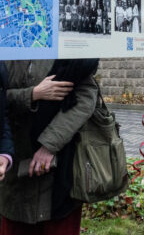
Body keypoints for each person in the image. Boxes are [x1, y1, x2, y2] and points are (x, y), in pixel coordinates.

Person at [0, 59, 99, 235]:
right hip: (14, 170)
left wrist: (49, 145)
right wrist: (32, 94)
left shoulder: (67, 46)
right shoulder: (6, 46)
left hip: (59, 172)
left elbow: (85, 97)